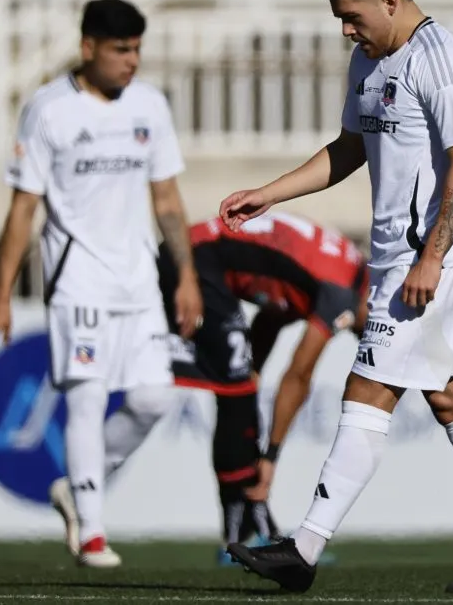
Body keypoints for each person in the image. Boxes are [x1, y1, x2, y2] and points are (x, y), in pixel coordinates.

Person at [218, 0, 453, 594]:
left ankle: (303, 548)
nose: (345, 29)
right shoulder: (367, 63)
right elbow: (347, 149)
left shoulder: (441, 60)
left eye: (352, 16)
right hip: (400, 263)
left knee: (366, 391)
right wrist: (269, 193)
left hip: (429, 266)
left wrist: (430, 258)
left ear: (390, 0)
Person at [0, 0, 203, 569]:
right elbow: (23, 208)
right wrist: (0, 295)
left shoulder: (149, 106)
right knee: (87, 398)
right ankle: (93, 531)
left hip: (138, 285)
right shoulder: (49, 110)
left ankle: (79, 487)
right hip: (77, 283)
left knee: (154, 399)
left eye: (137, 50)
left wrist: (186, 279)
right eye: (120, 50)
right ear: (88, 49)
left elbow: (168, 200)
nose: (132, 61)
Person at [156, 211, 369, 563]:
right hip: (193, 261)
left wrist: (252, 373)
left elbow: (273, 312)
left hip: (197, 257)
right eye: (366, 329)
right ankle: (239, 536)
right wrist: (271, 455)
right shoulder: (341, 293)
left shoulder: (342, 269)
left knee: (240, 387)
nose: (362, 335)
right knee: (235, 391)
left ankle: (251, 527)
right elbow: (298, 375)